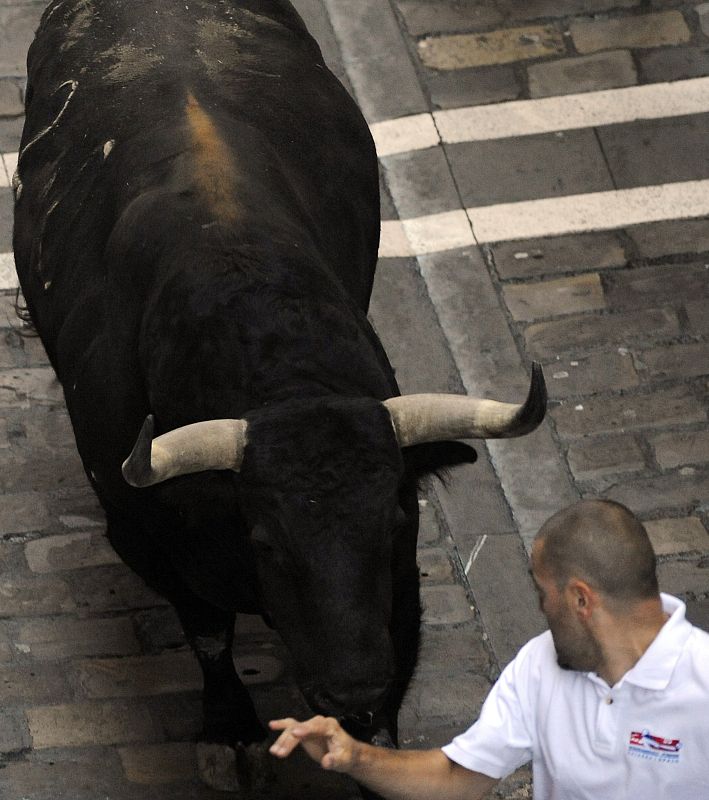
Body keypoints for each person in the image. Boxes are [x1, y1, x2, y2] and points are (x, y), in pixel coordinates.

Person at [269, 499, 709, 799]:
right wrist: (354, 756)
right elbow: (456, 778)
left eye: (542, 593)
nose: (541, 608)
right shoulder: (539, 666)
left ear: (581, 599)